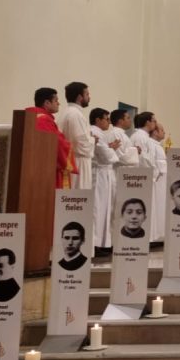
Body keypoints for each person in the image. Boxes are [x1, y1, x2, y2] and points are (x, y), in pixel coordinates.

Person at [25, 87, 76, 189]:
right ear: (47, 103)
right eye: (56, 100)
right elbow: (58, 144)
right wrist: (71, 146)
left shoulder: (31, 117)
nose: (58, 103)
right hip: (45, 170)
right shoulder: (43, 120)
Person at [90, 108, 120, 249]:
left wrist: (110, 148)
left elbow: (104, 150)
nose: (109, 122)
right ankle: (96, 244)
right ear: (97, 120)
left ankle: (102, 243)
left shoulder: (100, 133)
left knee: (105, 209)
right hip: (99, 173)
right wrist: (111, 150)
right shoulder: (94, 131)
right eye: (106, 119)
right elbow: (106, 155)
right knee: (98, 208)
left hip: (105, 173)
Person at [59, 82, 95, 190]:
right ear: (80, 97)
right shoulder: (75, 114)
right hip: (78, 163)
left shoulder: (68, 112)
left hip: (74, 160)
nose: (89, 97)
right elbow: (80, 143)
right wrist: (93, 140)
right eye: (87, 94)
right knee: (78, 197)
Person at [149, 123, 168, 242]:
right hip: (156, 181)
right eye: (162, 130)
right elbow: (152, 163)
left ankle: (161, 235)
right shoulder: (151, 145)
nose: (164, 132)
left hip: (162, 181)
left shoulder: (158, 146)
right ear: (155, 132)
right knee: (156, 207)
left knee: (161, 207)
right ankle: (155, 237)